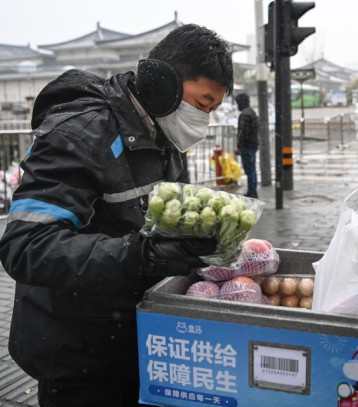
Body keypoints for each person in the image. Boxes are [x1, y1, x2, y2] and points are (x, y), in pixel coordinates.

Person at [0, 24, 233, 406]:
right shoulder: (79, 134)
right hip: (78, 354)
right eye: (202, 104)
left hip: (135, 342)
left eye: (212, 110)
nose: (204, 120)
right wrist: (138, 254)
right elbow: (26, 246)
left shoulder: (164, 136)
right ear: (163, 84)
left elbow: (154, 220)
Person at [235, 92, 260, 198]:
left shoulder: (244, 114)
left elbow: (243, 133)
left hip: (247, 146)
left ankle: (252, 191)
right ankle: (253, 190)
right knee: (252, 169)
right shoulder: (252, 112)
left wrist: (239, 146)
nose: (237, 106)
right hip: (253, 145)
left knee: (249, 170)